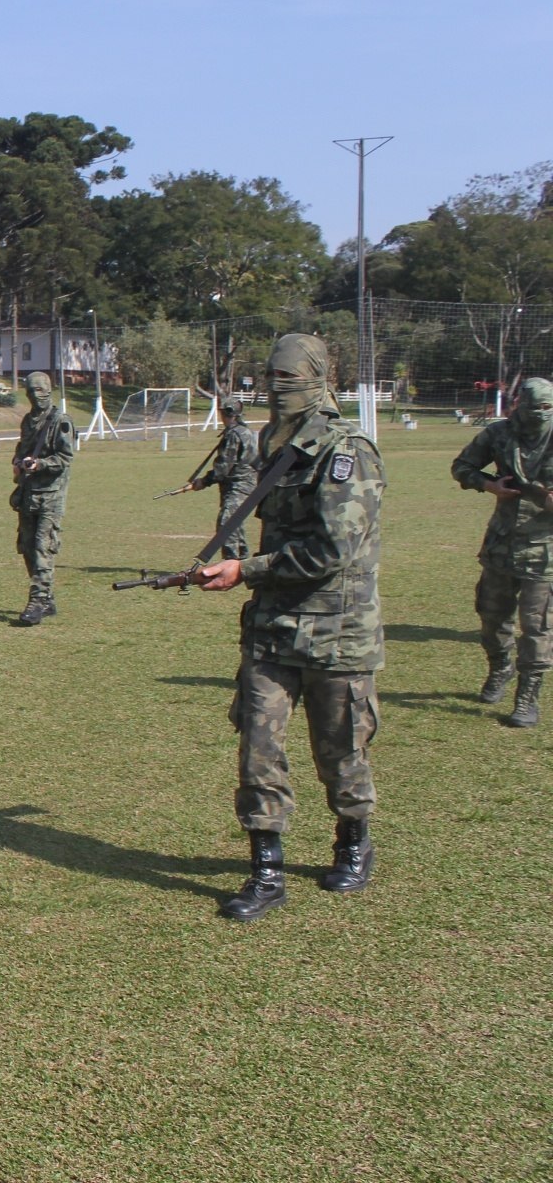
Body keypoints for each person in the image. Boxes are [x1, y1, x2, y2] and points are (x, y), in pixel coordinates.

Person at [200, 334, 382, 921]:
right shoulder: (271, 442)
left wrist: (244, 569)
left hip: (337, 630)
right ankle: (267, 870)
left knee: (341, 752)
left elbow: (331, 549)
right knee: (259, 748)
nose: (276, 388)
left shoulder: (346, 450)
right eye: (269, 376)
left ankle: (354, 841)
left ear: (319, 377)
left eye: (288, 377)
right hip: (274, 629)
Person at [450, 376, 553, 726]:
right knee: (492, 618)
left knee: (536, 627)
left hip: (545, 552)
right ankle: (501, 668)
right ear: (518, 405)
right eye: (532, 408)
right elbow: (461, 467)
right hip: (501, 546)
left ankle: (527, 698)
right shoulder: (498, 433)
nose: (539, 415)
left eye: (546, 409)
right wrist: (489, 485)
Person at [9, 370, 75, 625]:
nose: (37, 396)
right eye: (32, 391)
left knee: (41, 546)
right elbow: (21, 448)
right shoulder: (28, 421)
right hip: (28, 494)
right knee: (26, 546)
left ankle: (37, 601)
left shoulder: (61, 420)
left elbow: (65, 458)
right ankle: (47, 598)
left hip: (50, 495)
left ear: (49, 391)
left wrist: (40, 464)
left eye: (41, 390)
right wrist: (18, 462)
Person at [186, 397, 261, 559]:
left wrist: (203, 482)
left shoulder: (234, 435)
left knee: (226, 522)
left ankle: (230, 561)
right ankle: (242, 560)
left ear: (227, 414)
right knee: (235, 521)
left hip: (239, 485)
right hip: (247, 484)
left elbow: (222, 468)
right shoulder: (246, 431)